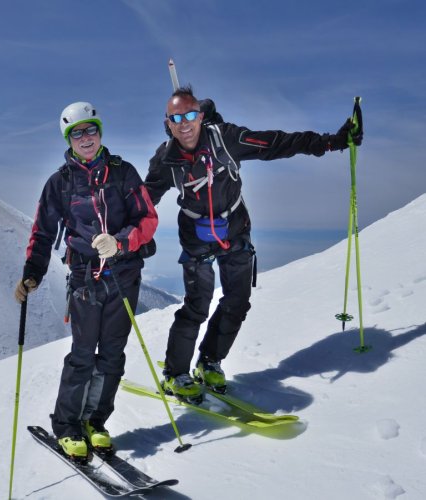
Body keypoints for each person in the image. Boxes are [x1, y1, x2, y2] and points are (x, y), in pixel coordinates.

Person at [144, 86, 363, 401]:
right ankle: (176, 374)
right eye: (176, 118)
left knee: (237, 301)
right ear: (168, 123)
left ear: (200, 116)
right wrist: (125, 237)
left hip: (235, 230)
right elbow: (144, 200)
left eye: (190, 115)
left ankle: (209, 362)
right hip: (196, 236)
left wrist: (331, 142)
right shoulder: (166, 159)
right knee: (197, 306)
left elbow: (276, 143)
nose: (185, 123)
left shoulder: (227, 139)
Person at [14, 102, 158, 460]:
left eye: (90, 129)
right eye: (77, 133)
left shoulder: (123, 173)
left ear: (99, 131)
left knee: (112, 355)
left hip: (124, 276)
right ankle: (67, 425)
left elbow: (148, 219)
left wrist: (121, 243)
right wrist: (32, 273)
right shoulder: (60, 183)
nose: (86, 138)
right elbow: (43, 231)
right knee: (82, 355)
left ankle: (95, 421)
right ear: (68, 138)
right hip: (84, 280)